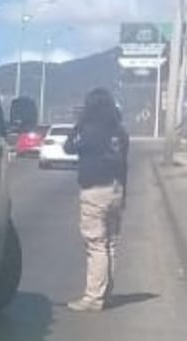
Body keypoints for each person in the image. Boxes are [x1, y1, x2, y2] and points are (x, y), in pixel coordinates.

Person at [63, 88, 130, 312]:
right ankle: (106, 293)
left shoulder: (89, 130)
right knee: (110, 243)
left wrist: (77, 126)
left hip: (95, 190)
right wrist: (124, 193)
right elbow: (124, 164)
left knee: (96, 244)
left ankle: (93, 297)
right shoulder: (120, 132)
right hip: (116, 189)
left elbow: (69, 147)